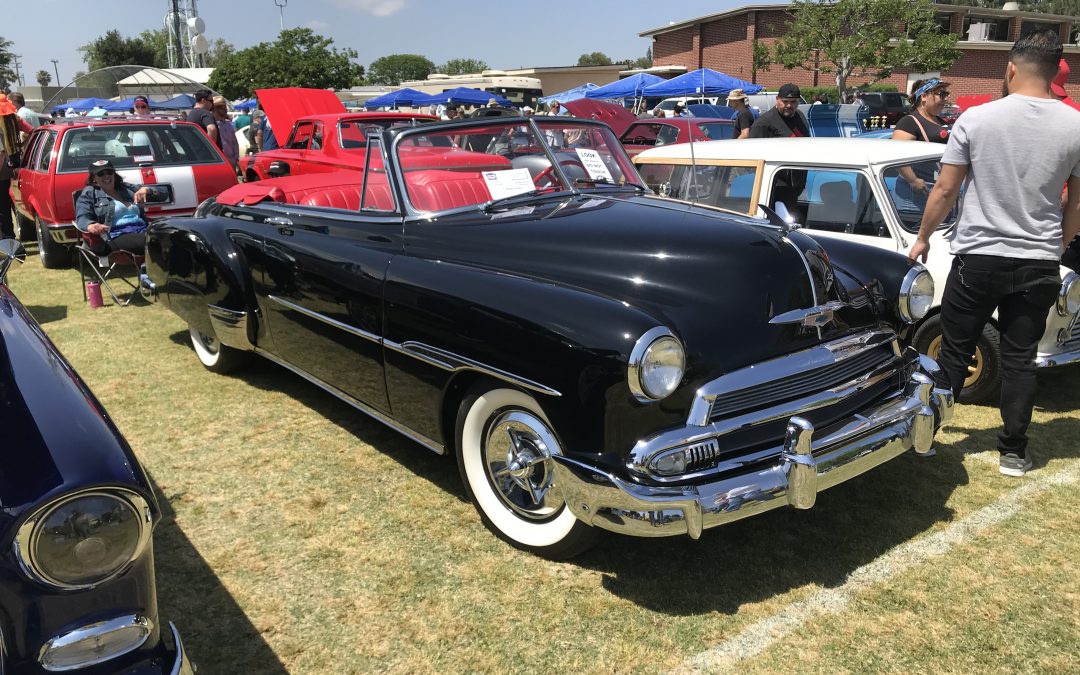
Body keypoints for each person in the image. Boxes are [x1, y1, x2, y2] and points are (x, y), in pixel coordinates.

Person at [907, 29, 1080, 477]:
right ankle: (1014, 451)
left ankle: (929, 436)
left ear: (1010, 68)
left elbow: (945, 189)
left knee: (953, 352)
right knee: (1020, 358)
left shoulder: (976, 119)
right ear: (1057, 70)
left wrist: (923, 236)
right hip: (1038, 259)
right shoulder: (1075, 124)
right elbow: (1076, 203)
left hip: (979, 255)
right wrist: (1057, 246)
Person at [75, 159, 151, 255]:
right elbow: (82, 217)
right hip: (115, 235)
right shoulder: (89, 193)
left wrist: (147, 189)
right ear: (94, 178)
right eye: (101, 174)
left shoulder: (126, 188)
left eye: (109, 172)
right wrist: (90, 225)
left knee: (170, 237)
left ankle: (150, 268)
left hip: (142, 230)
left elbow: (163, 194)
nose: (106, 176)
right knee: (151, 242)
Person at [212, 96, 239, 171]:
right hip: (218, 164)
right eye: (221, 107)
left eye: (224, 106)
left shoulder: (228, 124)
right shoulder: (211, 125)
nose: (225, 109)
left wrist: (236, 157)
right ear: (215, 108)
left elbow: (234, 142)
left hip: (231, 162)